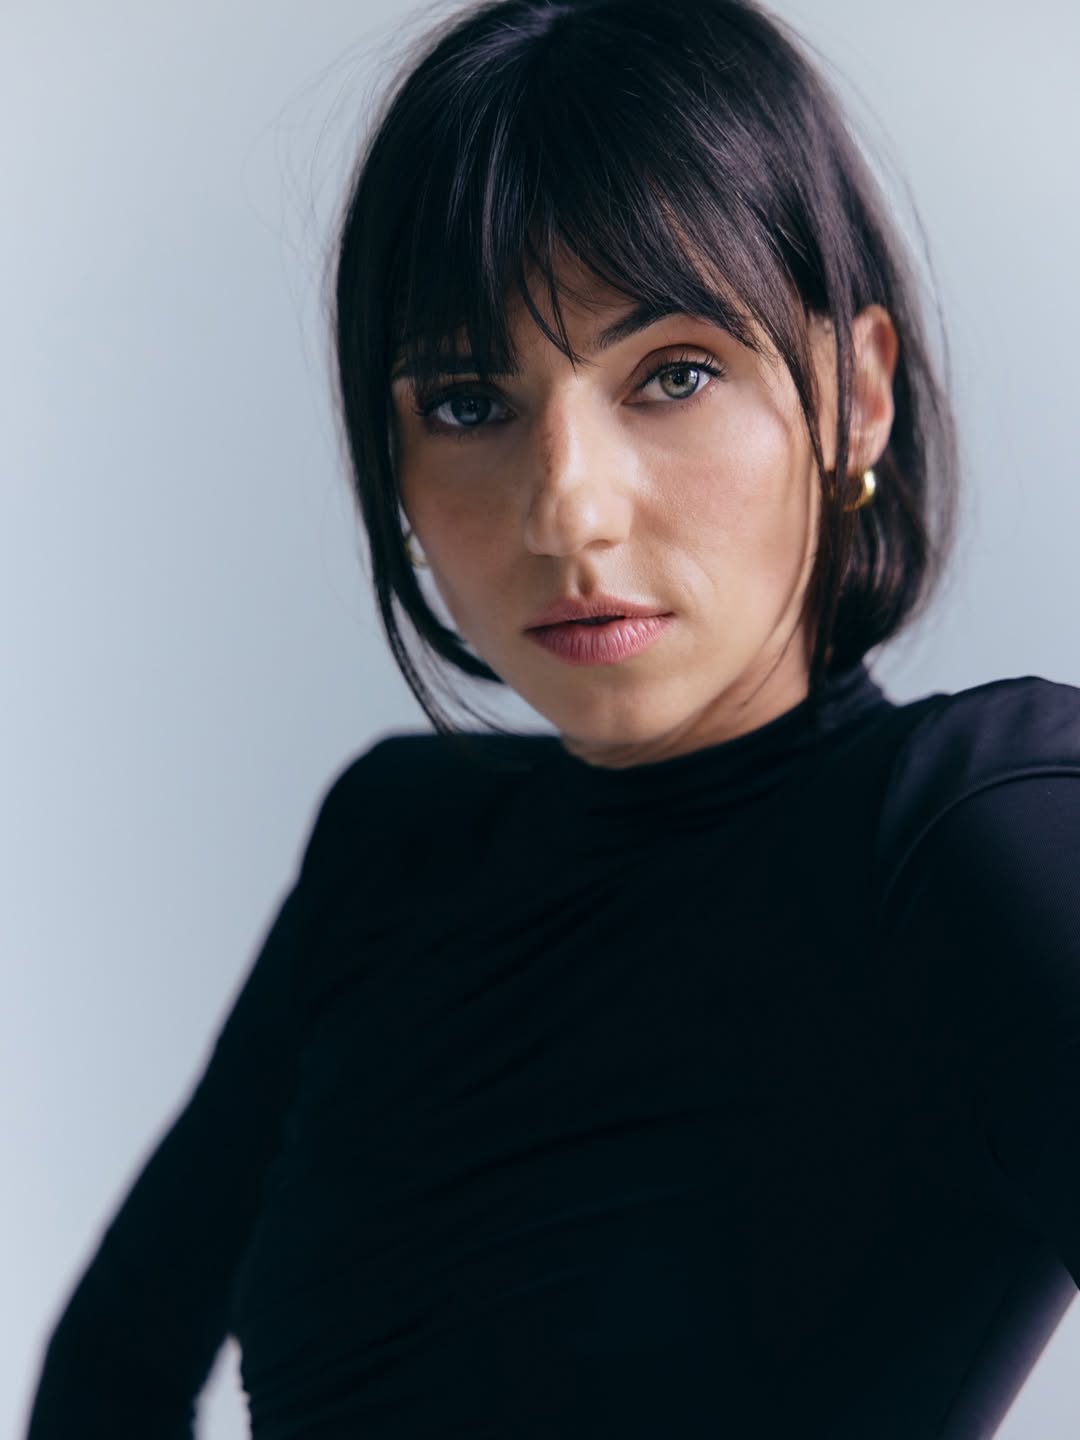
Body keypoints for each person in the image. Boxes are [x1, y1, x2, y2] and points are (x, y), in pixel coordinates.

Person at [25, 0, 1080, 1435]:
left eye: (675, 375)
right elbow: (110, 1371)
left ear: (857, 396)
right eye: (469, 402)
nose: (565, 510)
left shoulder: (976, 833)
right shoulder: (395, 845)